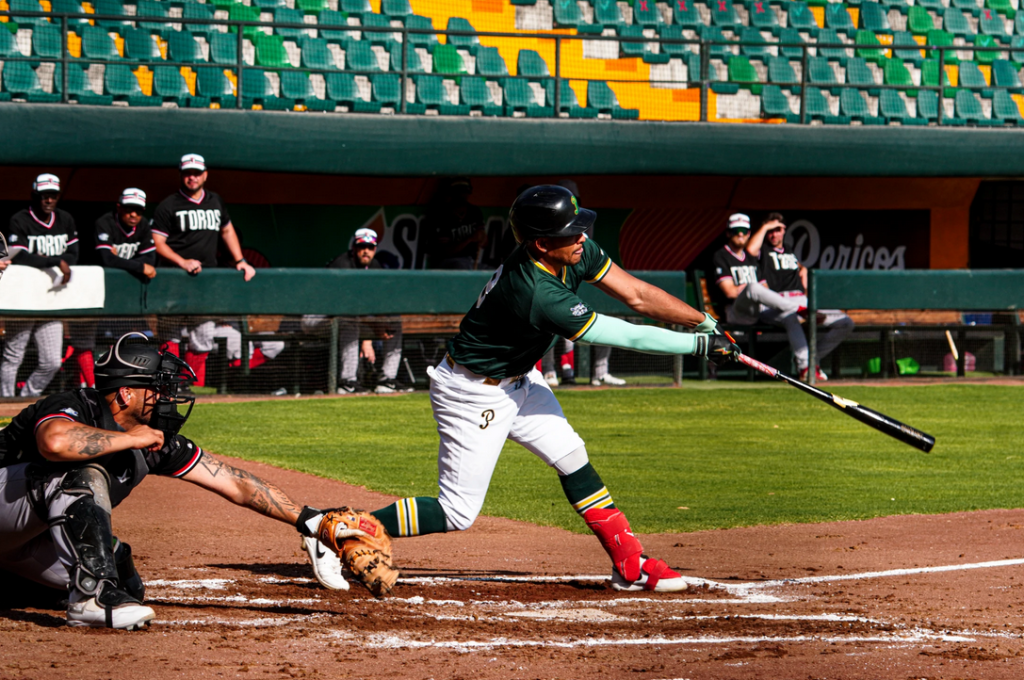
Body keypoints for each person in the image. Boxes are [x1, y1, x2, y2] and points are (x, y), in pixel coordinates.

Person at [366, 185, 738, 593]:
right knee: (457, 512)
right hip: (474, 392)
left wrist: (704, 323)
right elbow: (623, 334)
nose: (582, 237)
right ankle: (345, 528)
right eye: (571, 232)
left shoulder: (575, 251)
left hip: (521, 379)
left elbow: (637, 295)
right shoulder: (536, 291)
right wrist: (699, 346)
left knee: (572, 457)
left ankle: (631, 565)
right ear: (542, 243)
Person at [0, 334, 355, 629]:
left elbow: (236, 483)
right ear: (126, 393)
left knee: (120, 576)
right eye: (158, 388)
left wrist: (311, 520)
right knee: (81, 474)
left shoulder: (155, 439)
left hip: (19, 543)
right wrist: (131, 439)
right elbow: (55, 442)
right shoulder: (75, 404)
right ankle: (92, 600)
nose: (168, 397)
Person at [152, 154, 256, 387]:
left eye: (197, 173)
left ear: (205, 175)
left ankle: (188, 385)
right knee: (170, 336)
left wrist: (240, 260)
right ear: (181, 175)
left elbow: (227, 231)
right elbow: (157, 243)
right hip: (174, 279)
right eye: (188, 173)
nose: (192, 177)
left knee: (204, 336)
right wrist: (182, 262)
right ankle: (168, 384)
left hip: (205, 280)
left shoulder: (215, 201)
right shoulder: (169, 205)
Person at [66, 188, 160, 391]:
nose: (133, 214)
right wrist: (136, 265)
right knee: (86, 342)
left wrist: (121, 261)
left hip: (122, 297)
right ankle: (89, 386)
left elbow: (151, 260)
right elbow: (106, 259)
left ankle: (119, 384)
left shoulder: (143, 225)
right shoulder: (105, 222)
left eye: (138, 210)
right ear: (119, 207)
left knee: (131, 340)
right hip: (90, 290)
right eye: (129, 209)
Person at [745, 213, 855, 382]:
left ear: (784, 230)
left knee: (845, 322)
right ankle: (805, 368)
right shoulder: (763, 250)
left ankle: (811, 359)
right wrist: (766, 226)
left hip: (800, 300)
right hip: (776, 303)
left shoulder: (789, 249)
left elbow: (796, 267)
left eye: (777, 230)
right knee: (791, 317)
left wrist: (802, 268)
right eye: (770, 231)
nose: (774, 235)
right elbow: (750, 250)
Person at [1, 174, 78, 398]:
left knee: (52, 361)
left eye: (53, 195)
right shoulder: (20, 219)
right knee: (14, 355)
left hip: (51, 298)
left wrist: (58, 261)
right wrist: (55, 260)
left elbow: (74, 253)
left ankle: (25, 400)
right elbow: (19, 255)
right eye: (44, 195)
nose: (48, 200)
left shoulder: (65, 219)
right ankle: (4, 402)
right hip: (24, 297)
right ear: (35, 195)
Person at [326, 228, 409, 394]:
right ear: (354, 248)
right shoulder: (343, 264)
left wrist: (375, 330)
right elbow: (347, 307)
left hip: (349, 320)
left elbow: (378, 303)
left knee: (394, 322)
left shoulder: (374, 266)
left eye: (370, 247)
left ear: (375, 249)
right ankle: (347, 382)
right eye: (362, 247)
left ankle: (387, 379)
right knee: (350, 322)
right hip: (316, 318)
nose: (366, 251)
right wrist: (370, 334)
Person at [421, 177, 487, 270]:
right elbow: (446, 252)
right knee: (460, 267)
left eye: (465, 192)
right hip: (447, 263)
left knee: (493, 273)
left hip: (470, 261)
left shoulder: (475, 211)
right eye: (459, 192)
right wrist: (469, 239)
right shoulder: (440, 214)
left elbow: (484, 243)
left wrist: (481, 237)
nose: (463, 195)